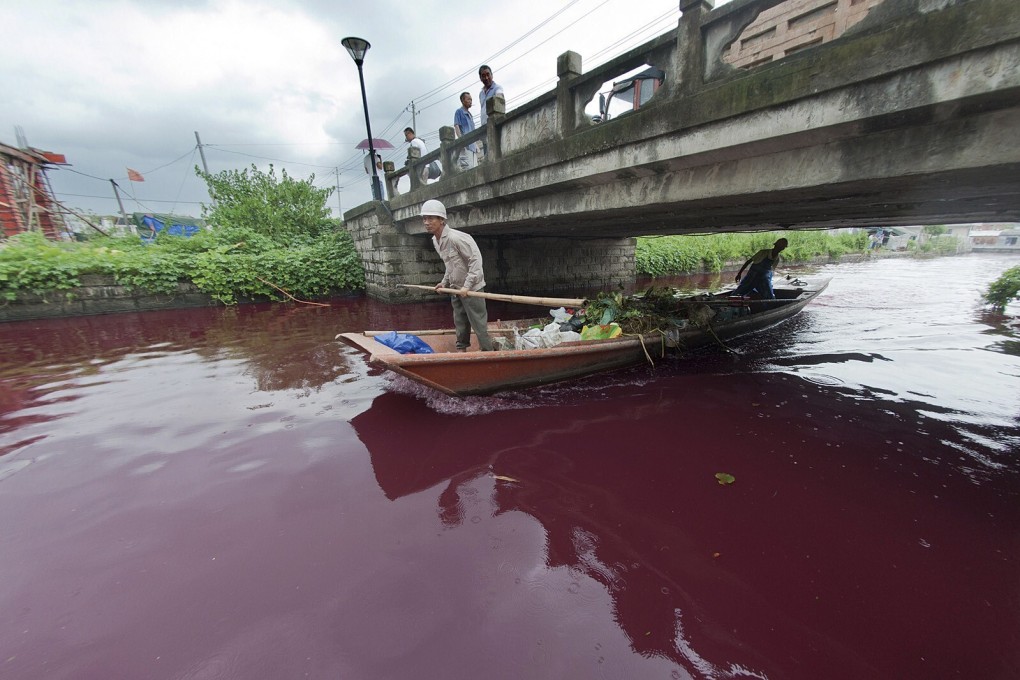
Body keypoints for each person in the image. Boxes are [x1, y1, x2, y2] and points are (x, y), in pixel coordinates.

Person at [421, 199, 494, 352]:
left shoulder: (456, 238)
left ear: (441, 220)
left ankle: (488, 352)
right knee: (460, 321)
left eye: (431, 218)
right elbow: (450, 265)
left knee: (478, 323)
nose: (426, 222)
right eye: (424, 219)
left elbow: (475, 262)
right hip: (455, 288)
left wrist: (467, 287)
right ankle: (462, 349)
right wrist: (444, 282)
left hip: (472, 288)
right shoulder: (436, 240)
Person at [453, 92, 478, 170]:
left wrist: (476, 145)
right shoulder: (459, 112)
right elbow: (457, 126)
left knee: (475, 169)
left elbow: (473, 131)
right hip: (465, 145)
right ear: (462, 101)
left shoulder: (470, 115)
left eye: (471, 99)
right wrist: (461, 141)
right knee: (467, 169)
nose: (470, 101)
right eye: (468, 99)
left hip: (473, 146)